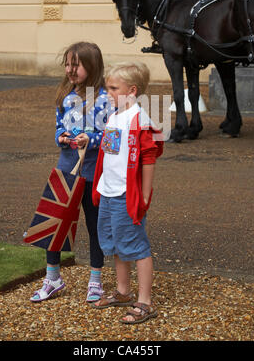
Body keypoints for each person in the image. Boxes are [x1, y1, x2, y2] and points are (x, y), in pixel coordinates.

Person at [30, 41, 111, 303]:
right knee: (54, 223)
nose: (69, 70)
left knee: (94, 226)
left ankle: (95, 281)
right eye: (67, 64)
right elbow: (57, 127)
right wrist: (61, 137)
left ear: (93, 66)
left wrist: (91, 139)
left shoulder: (105, 99)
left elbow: (113, 139)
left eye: (75, 65)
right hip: (65, 169)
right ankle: (53, 278)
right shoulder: (65, 94)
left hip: (94, 174)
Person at [92, 61, 163, 324]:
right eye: (106, 87)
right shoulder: (114, 116)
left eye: (113, 88)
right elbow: (109, 156)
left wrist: (144, 196)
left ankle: (145, 302)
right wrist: (101, 186)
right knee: (116, 244)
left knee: (136, 245)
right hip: (110, 192)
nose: (107, 93)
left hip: (127, 195)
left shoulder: (140, 119)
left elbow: (149, 157)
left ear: (131, 90)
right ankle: (123, 291)